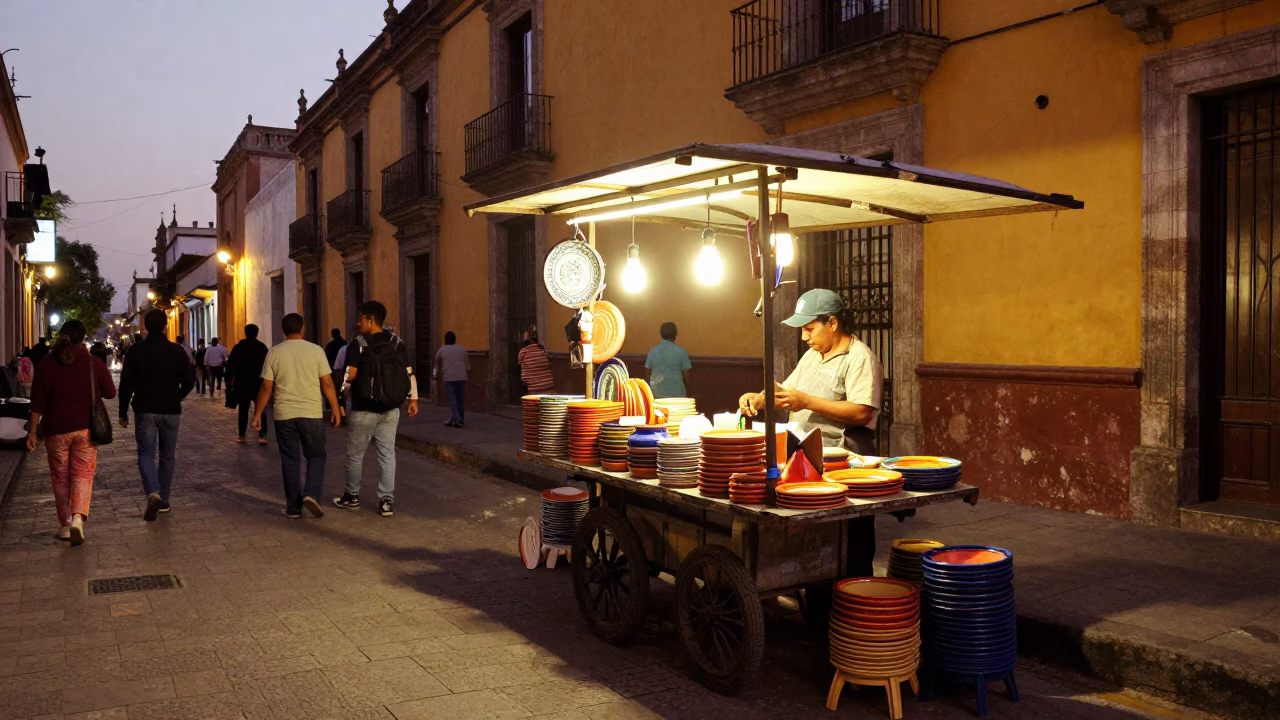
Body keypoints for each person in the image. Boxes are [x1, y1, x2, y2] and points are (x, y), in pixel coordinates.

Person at [737, 288, 883, 616]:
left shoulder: (860, 357)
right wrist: (760, 397)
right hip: (809, 467)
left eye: (809, 328)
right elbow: (787, 391)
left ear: (832, 323)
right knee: (820, 549)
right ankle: (819, 619)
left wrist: (807, 402)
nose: (805, 337)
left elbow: (862, 412)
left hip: (845, 467)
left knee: (852, 552)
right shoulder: (812, 357)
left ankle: (856, 620)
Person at [26, 320, 116, 546]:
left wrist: (31, 432)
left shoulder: (46, 364)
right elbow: (111, 392)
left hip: (55, 431)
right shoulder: (92, 362)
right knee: (82, 474)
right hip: (85, 428)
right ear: (82, 339)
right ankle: (77, 517)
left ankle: (65, 524)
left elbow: (37, 402)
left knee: (60, 477)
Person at [252, 313, 340, 519]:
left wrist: (257, 414)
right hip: (311, 413)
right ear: (303, 329)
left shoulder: (274, 352)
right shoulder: (316, 350)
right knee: (316, 455)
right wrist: (336, 409)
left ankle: (293, 507)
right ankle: (311, 494)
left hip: (284, 414)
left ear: (284, 331)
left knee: (290, 459)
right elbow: (327, 383)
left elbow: (266, 387)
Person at [333, 301, 418, 517]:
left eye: (361, 318)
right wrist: (413, 400)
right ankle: (386, 502)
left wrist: (342, 392)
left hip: (363, 410)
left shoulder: (358, 343)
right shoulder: (397, 343)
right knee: (387, 455)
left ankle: (352, 497)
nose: (358, 322)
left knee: (355, 455)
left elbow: (350, 374)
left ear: (371, 319)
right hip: (390, 409)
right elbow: (408, 372)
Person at [118, 309, 196, 521]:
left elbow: (126, 383)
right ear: (164, 326)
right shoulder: (177, 350)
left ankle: (153, 492)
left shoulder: (135, 350)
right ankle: (164, 500)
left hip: (144, 408)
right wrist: (177, 396)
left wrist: (122, 411)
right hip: (170, 409)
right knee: (167, 456)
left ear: (146, 327)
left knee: (145, 454)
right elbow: (190, 380)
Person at [227, 324, 270, 445]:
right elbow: (267, 365)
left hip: (242, 382)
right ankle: (262, 435)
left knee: (243, 410)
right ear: (257, 333)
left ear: (245, 333)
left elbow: (231, 364)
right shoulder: (262, 347)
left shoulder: (238, 347)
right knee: (260, 409)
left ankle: (241, 435)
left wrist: (229, 379)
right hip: (258, 382)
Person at [645, 322, 693, 399]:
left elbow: (647, 374)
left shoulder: (652, 352)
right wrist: (689, 392)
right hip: (677, 394)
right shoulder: (682, 352)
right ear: (675, 334)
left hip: (656, 394)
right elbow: (687, 376)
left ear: (661, 334)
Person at [435, 331, 469, 428]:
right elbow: (467, 365)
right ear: (455, 339)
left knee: (452, 400)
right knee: (460, 399)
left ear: (445, 340)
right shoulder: (462, 349)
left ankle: (457, 420)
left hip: (449, 377)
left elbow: (437, 363)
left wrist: (436, 375)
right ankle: (459, 418)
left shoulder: (442, 350)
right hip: (462, 376)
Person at [517, 326, 554, 394]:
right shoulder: (542, 350)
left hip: (533, 388)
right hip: (548, 386)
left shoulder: (523, 352)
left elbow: (520, 369)